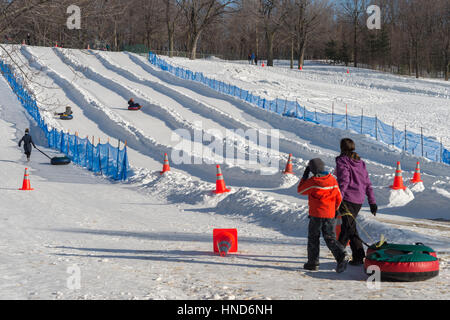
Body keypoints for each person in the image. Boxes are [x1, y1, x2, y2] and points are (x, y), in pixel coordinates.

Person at [297, 158, 349, 273]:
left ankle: (313, 263)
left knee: (313, 238)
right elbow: (339, 197)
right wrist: (335, 210)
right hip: (330, 214)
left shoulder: (313, 181)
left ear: (312, 170)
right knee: (330, 238)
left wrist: (305, 176)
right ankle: (342, 256)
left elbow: (300, 190)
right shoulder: (332, 180)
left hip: (316, 214)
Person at [335, 138, 377, 266]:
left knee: (348, 228)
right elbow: (367, 184)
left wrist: (339, 199)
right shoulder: (360, 162)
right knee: (349, 227)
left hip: (347, 199)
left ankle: (340, 254)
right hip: (358, 200)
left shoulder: (342, 161)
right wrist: (371, 202)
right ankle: (356, 256)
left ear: (342, 148)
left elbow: (344, 181)